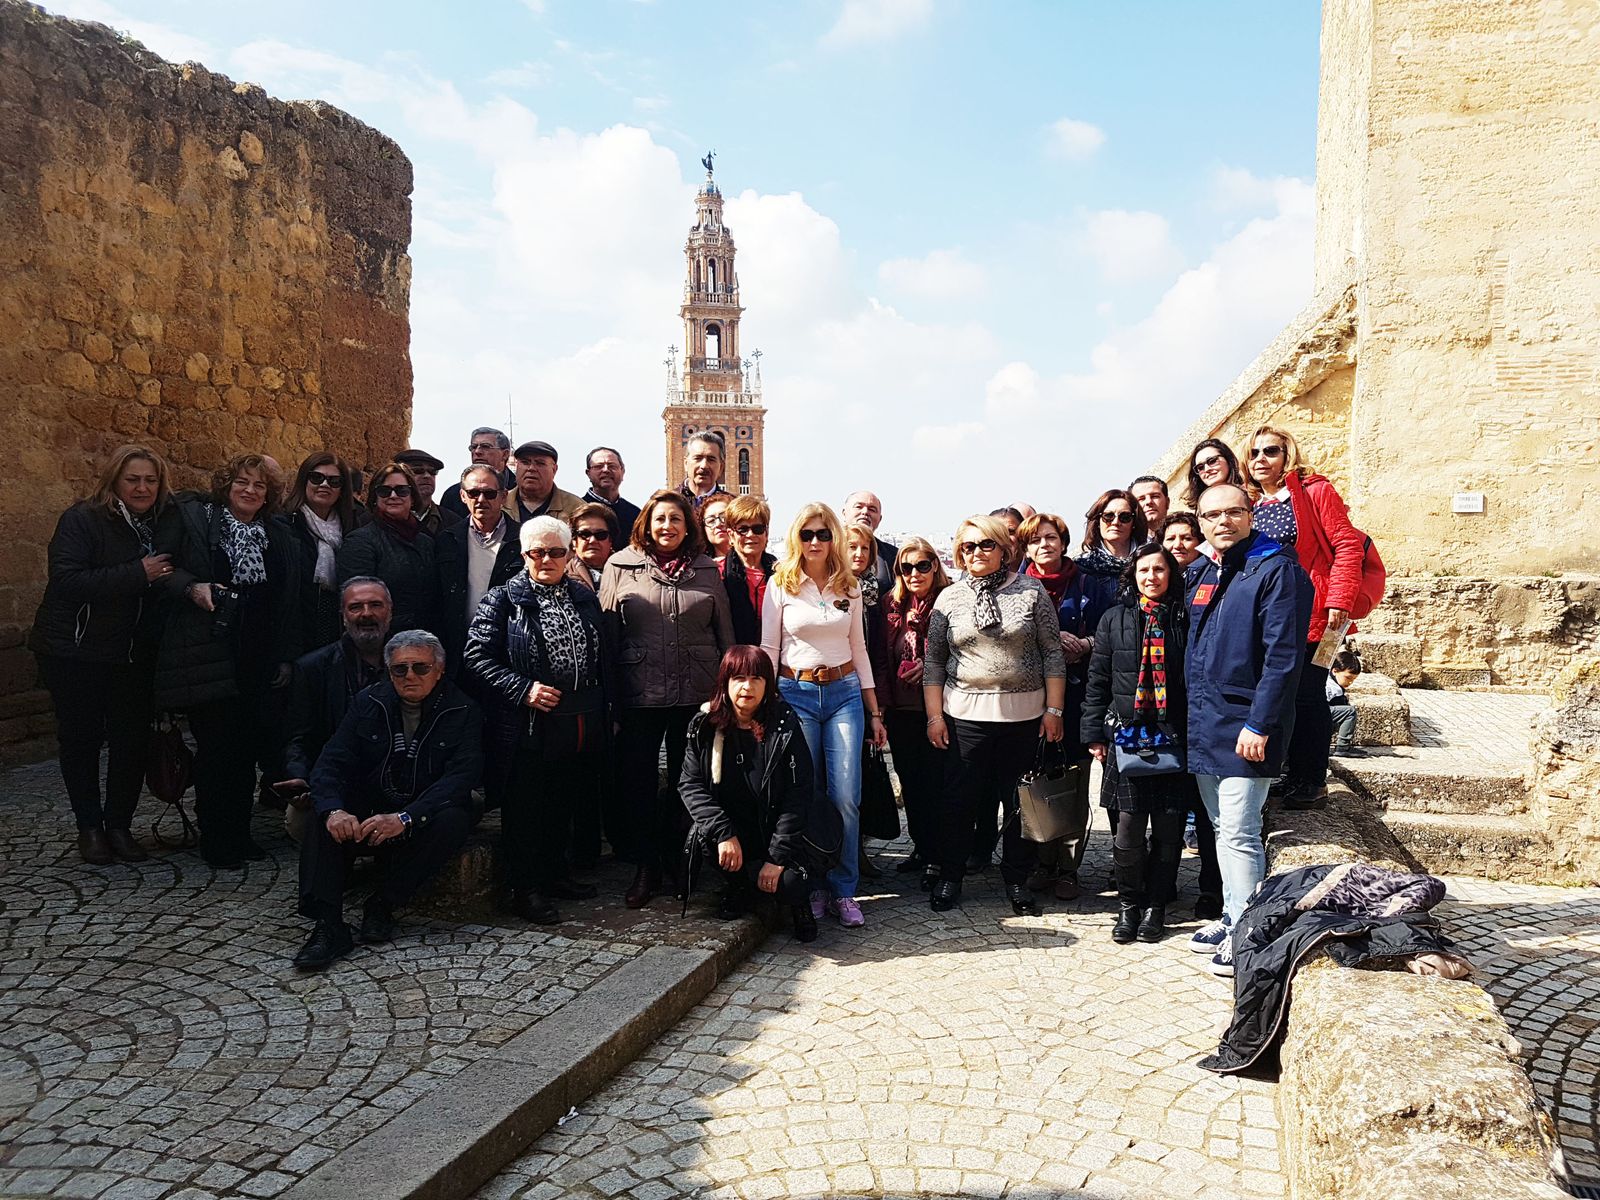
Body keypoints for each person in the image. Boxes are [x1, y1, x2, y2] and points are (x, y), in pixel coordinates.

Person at [1184, 483, 1313, 977]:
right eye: (1212, 514)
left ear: (1251, 513)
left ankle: (1246, 930)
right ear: (1200, 521)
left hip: (1247, 724)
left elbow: (1283, 657)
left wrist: (1260, 723)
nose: (1223, 522)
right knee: (1220, 827)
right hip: (1207, 719)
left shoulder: (1275, 569)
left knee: (1239, 830)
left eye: (1233, 512)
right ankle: (1231, 913)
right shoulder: (1208, 570)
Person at [292, 630, 479, 970]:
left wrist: (406, 818)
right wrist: (334, 811)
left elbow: (460, 778)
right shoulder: (368, 702)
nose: (410, 676)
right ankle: (328, 924)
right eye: (399, 669)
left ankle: (383, 904)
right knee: (325, 813)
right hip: (373, 805)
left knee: (455, 819)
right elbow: (331, 762)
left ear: (438, 669)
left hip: (420, 812)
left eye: (420, 668)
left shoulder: (462, 708)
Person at [30, 444, 180, 864]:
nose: (142, 487)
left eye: (150, 479)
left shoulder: (160, 522)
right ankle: (90, 828)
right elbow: (67, 579)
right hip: (76, 650)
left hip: (131, 652)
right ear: (114, 479)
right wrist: (138, 573)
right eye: (133, 479)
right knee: (81, 740)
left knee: (131, 741)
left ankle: (120, 825)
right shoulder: (83, 519)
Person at [466, 516, 619, 924]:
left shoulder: (584, 596)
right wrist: (523, 689)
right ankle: (526, 889)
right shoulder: (504, 599)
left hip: (576, 720)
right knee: (526, 809)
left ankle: (555, 876)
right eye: (538, 552)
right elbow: (476, 656)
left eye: (556, 552)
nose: (547, 559)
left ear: (569, 555)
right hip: (527, 725)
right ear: (524, 554)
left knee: (563, 802)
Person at [154, 453, 303, 868]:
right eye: (242, 482)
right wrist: (192, 587)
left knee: (247, 751)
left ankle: (240, 833)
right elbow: (162, 569)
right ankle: (217, 839)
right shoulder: (197, 520)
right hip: (209, 654)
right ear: (227, 484)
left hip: (258, 656)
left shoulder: (276, 534)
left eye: (259, 486)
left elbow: (288, 600)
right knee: (217, 752)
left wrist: (286, 657)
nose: (250, 491)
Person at [923, 514, 1067, 916]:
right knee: (959, 801)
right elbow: (934, 660)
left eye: (985, 544)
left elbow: (1052, 653)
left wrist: (1054, 709)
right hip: (965, 715)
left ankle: (1017, 879)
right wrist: (934, 717)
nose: (976, 553)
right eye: (967, 547)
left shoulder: (1031, 592)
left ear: (1005, 549)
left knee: (1019, 802)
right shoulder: (949, 597)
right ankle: (952, 875)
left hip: (1023, 717)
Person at [601, 489, 735, 908]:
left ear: (687, 526)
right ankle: (646, 865)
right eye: (660, 519)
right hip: (639, 692)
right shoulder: (620, 565)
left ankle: (682, 859)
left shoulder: (706, 569)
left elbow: (724, 632)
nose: (668, 527)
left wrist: (726, 692)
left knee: (688, 782)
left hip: (695, 692)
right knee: (637, 783)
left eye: (676, 520)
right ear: (646, 523)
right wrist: (610, 700)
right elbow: (607, 638)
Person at [760, 503, 886, 928]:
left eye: (824, 534)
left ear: (834, 537)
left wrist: (873, 710)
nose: (815, 542)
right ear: (797, 537)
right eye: (808, 534)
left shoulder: (848, 586)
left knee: (847, 796)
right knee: (806, 795)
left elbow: (861, 648)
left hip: (844, 692)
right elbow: (769, 649)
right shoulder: (781, 584)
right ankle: (812, 884)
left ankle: (845, 889)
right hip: (794, 692)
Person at [1244, 425, 1370, 808]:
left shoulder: (1315, 491)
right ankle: (1289, 772)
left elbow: (1347, 544)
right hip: (1271, 613)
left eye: (1270, 451)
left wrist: (1340, 598)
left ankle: (1312, 779)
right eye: (1254, 453)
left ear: (1287, 455)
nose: (1260, 459)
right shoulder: (1251, 502)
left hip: (1318, 613)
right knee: (1279, 693)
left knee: (1309, 693)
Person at [679, 645, 828, 943]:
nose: (747, 687)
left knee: (790, 883)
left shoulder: (784, 724)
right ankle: (738, 888)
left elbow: (799, 794)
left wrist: (777, 857)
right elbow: (690, 784)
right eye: (739, 678)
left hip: (776, 830)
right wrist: (723, 833)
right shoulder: (704, 726)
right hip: (734, 830)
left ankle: (798, 905)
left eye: (756, 678)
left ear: (767, 684)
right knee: (707, 838)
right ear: (725, 683)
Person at [1082, 544, 1192, 945]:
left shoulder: (1185, 617)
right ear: (1133, 576)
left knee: (1167, 829)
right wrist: (1094, 734)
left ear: (1170, 575)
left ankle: (1156, 907)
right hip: (1126, 737)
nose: (1152, 577)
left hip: (1172, 737)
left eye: (1159, 570)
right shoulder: (1114, 619)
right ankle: (1128, 906)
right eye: (1144, 570)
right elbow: (1098, 680)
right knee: (1127, 832)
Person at [276, 577, 393, 840]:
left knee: (469, 803)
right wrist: (299, 777)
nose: (366, 614)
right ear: (343, 616)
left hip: (398, 778)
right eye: (356, 607)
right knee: (302, 824)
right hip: (339, 778)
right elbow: (298, 736)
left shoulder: (412, 661)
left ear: (390, 611)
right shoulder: (312, 668)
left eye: (375, 605)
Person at [1018, 512, 1094, 901]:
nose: (1044, 545)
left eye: (1051, 538)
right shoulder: (1017, 586)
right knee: (1034, 782)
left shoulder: (1087, 582)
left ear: (1063, 542)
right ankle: (1038, 861)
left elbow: (1110, 631)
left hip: (1078, 697)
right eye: (1035, 540)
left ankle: (1068, 867)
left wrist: (1085, 644)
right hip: (1028, 700)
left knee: (1072, 782)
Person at [1160, 509, 1224, 919]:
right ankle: (1161, 884)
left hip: (1200, 708)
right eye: (1171, 539)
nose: (1179, 545)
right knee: (1166, 807)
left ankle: (1212, 891)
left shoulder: (1212, 579)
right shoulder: (1155, 589)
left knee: (1205, 811)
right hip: (1166, 711)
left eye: (1187, 537)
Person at [877, 537, 951, 891]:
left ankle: (940, 856)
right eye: (907, 568)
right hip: (902, 710)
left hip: (940, 711)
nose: (915, 573)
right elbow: (880, 656)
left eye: (923, 565)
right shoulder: (890, 605)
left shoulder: (949, 602)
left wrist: (931, 666)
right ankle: (922, 849)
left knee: (938, 786)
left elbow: (961, 653)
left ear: (935, 566)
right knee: (911, 785)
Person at [336, 463, 442, 637]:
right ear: (375, 498)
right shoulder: (360, 541)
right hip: (381, 642)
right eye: (385, 491)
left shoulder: (426, 542)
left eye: (402, 491)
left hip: (424, 641)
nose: (393, 496)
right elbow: (356, 604)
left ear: (412, 497)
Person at [436, 465, 522, 674]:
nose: (481, 499)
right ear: (463, 496)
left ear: (503, 496)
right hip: (457, 650)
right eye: (474, 493)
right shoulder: (446, 540)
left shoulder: (523, 540)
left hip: (508, 651)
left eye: (489, 493)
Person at [282, 453, 367, 651]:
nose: (325, 485)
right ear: (304, 481)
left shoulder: (353, 529)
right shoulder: (284, 526)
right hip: (296, 633)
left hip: (338, 634)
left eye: (334, 481)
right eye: (316, 478)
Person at [1077, 489, 1147, 640]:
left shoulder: (1151, 560)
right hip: (1098, 652)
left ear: (1134, 523)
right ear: (1098, 521)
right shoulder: (1081, 567)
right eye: (1108, 516)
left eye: (1125, 517)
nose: (1116, 522)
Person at [720, 496, 776, 645]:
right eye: (743, 529)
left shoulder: (782, 574)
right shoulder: (717, 573)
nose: (751, 535)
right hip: (733, 658)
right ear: (731, 535)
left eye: (758, 528)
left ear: (766, 533)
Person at [440, 427, 515, 518]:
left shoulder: (520, 490)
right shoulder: (453, 495)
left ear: (505, 454)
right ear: (463, 496)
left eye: (485, 447)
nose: (477, 451)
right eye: (473, 447)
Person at [506, 440, 583, 524]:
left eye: (540, 463)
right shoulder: (499, 504)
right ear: (516, 467)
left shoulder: (577, 509)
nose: (531, 468)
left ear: (554, 470)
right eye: (525, 462)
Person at [393, 449, 462, 535]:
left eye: (432, 472)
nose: (427, 476)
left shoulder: (453, 521)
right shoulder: (384, 518)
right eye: (417, 471)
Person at [843, 490, 897, 596]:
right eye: (859, 507)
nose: (865, 512)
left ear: (880, 519)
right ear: (844, 513)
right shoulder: (827, 549)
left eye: (872, 509)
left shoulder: (893, 556)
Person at [583, 446, 641, 540]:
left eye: (612, 466)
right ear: (588, 473)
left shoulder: (635, 514)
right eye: (598, 466)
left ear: (622, 472)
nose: (606, 470)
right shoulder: (577, 509)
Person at [566, 501, 620, 592]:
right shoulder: (561, 577)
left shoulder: (630, 575)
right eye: (585, 534)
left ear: (611, 540)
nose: (592, 541)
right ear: (574, 540)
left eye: (600, 535)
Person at [1183, 438, 1245, 512]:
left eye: (1212, 461)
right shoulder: (1201, 511)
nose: (1207, 469)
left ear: (1228, 460)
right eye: (1200, 467)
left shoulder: (1252, 495)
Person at [679, 432, 730, 508]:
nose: (704, 465)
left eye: (711, 459)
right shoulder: (668, 501)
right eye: (698, 458)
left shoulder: (732, 507)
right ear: (686, 464)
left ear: (721, 467)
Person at [1328, 649, 1363, 757]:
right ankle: (1343, 747)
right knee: (1349, 712)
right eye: (1348, 678)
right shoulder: (1331, 687)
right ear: (1335, 671)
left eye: (1353, 680)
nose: (1350, 682)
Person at [700, 493, 733, 566]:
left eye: (724, 518)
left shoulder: (754, 561)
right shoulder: (699, 567)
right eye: (711, 521)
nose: (718, 524)